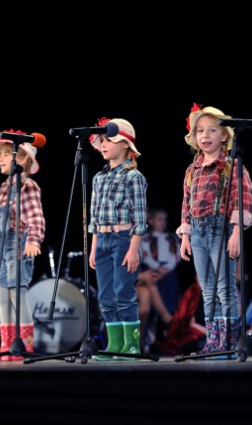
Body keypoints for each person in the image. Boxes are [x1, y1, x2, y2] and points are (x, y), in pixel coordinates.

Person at [177, 103, 252, 358]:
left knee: (225, 288)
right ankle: (213, 341)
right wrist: (186, 236)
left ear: (224, 135)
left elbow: (243, 199)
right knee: (207, 288)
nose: (205, 136)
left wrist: (236, 232)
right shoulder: (192, 170)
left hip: (221, 229)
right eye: (200, 131)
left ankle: (229, 341)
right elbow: (186, 204)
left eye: (212, 130)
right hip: (198, 232)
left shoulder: (231, 165)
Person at [0, 131, 45, 361]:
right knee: (2, 295)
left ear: (22, 159)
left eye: (6, 155)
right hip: (2, 246)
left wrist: (33, 241)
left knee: (16, 294)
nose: (0, 159)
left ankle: (23, 346)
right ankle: (6, 345)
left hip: (18, 243)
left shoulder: (27, 186)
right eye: (0, 155)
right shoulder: (3, 188)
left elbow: (36, 218)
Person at [87, 118, 147, 361]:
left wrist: (134, 249)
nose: (103, 145)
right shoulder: (98, 178)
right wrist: (93, 248)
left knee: (123, 292)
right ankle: (114, 344)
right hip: (101, 238)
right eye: (100, 141)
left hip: (123, 240)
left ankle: (131, 346)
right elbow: (93, 218)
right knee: (105, 295)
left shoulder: (134, 177)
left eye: (108, 140)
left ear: (125, 145)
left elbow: (140, 219)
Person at [137, 205, 182, 351]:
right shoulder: (145, 238)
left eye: (164, 220)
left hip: (168, 275)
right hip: (153, 271)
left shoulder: (171, 238)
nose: (162, 223)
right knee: (151, 281)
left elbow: (177, 255)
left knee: (170, 295)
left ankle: (169, 326)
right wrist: (156, 266)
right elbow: (145, 254)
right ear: (151, 221)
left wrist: (166, 269)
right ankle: (164, 319)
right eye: (159, 219)